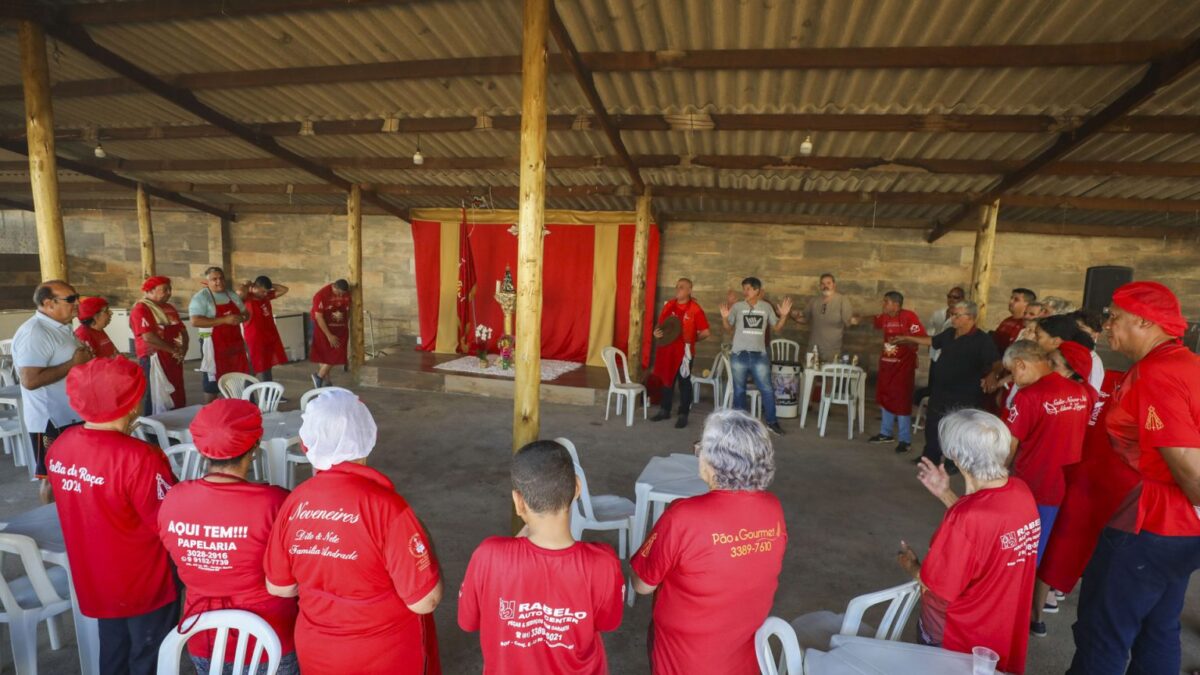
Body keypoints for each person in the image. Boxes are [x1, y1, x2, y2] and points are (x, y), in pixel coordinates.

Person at [1068, 281, 1200, 675]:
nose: (1106, 325)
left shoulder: (1157, 373)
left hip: (1152, 524)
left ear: (1145, 321)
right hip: (1180, 529)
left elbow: (1190, 469)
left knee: (1103, 632)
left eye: (1114, 316)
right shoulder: (1187, 363)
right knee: (1158, 627)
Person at [265, 390, 443, 674]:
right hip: (385, 653)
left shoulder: (294, 502)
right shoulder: (387, 508)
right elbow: (425, 601)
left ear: (306, 444)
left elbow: (280, 587)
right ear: (368, 438)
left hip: (317, 651)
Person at [50, 357, 179, 675]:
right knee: (149, 656)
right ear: (133, 402)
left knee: (113, 649)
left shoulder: (61, 446)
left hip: (95, 577)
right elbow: (168, 523)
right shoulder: (140, 458)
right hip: (144, 581)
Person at [632, 410, 787, 674]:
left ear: (713, 461)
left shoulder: (683, 516)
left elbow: (642, 585)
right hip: (746, 659)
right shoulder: (773, 509)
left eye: (701, 448)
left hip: (685, 661)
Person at [158, 399, 298, 675]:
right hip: (270, 639)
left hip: (202, 636)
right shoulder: (275, 503)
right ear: (254, 449)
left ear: (200, 448)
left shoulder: (173, 499)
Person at [458, 440, 624, 673]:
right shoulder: (603, 563)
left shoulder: (488, 556)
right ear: (577, 488)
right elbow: (608, 622)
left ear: (518, 502)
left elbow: (468, 622)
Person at [900, 409, 1040, 674]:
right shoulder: (1021, 492)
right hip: (1000, 631)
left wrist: (911, 565)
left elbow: (935, 586)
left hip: (959, 639)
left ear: (956, 456)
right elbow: (985, 534)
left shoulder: (967, 518)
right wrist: (945, 494)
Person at [1000, 340, 1090, 638]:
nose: (1012, 380)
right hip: (1066, 487)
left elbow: (1007, 448)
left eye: (1012, 373)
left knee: (1019, 559)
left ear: (1022, 364)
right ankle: (1034, 617)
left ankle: (1009, 621)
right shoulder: (1080, 392)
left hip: (1032, 489)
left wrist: (992, 483)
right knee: (1046, 556)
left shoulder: (1029, 397)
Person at [892, 301, 1000, 471]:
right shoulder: (950, 333)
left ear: (970, 318)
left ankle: (954, 462)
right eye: (952, 314)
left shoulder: (982, 339)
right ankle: (930, 457)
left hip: (964, 393)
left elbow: (996, 362)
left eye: (957, 315)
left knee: (957, 428)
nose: (952, 318)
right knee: (933, 424)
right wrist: (908, 338)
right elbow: (933, 341)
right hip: (941, 389)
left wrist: (992, 374)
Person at [12, 280, 90, 503]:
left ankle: (72, 518)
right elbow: (30, 380)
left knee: (75, 472)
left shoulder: (61, 327)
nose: (77, 304)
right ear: (48, 303)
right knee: (52, 476)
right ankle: (54, 523)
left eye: (77, 298)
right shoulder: (35, 333)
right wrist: (73, 364)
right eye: (70, 300)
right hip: (50, 420)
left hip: (72, 414)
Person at [719, 277, 793, 435]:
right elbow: (728, 328)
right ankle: (740, 425)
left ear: (757, 290)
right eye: (744, 288)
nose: (744, 292)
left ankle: (772, 423)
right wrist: (725, 317)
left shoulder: (766, 307)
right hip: (739, 354)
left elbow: (778, 328)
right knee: (739, 390)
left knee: (766, 389)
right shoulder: (738, 306)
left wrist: (784, 315)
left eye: (748, 289)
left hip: (759, 355)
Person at [867, 291, 927, 454]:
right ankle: (885, 433)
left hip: (903, 366)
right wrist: (857, 317)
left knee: (901, 400)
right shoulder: (885, 317)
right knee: (885, 396)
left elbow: (922, 336)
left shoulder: (909, 316)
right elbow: (874, 320)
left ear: (896, 304)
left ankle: (904, 440)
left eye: (886, 302)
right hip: (887, 364)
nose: (883, 304)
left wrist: (904, 339)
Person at [650, 278, 711, 429]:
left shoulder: (695, 309)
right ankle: (665, 410)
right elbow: (660, 327)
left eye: (682, 287)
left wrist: (691, 341)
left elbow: (706, 332)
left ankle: (683, 414)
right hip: (667, 350)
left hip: (684, 353)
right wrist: (656, 333)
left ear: (690, 290)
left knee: (684, 382)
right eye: (677, 287)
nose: (678, 289)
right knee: (666, 380)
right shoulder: (669, 305)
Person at [189, 266, 250, 403]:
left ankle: (240, 406)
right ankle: (211, 411)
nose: (219, 282)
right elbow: (195, 321)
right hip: (213, 344)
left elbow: (245, 312)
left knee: (239, 376)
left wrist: (242, 318)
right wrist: (224, 320)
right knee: (213, 381)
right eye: (214, 279)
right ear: (207, 282)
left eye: (221, 278)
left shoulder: (231, 294)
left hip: (234, 343)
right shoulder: (201, 298)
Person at [131, 276, 188, 413]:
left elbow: (182, 330)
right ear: (150, 291)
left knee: (175, 392)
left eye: (170, 289)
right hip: (153, 358)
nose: (169, 293)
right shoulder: (141, 309)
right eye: (165, 289)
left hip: (173, 357)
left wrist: (183, 349)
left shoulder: (169, 308)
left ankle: (174, 425)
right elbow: (148, 336)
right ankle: (154, 430)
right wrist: (173, 350)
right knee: (156, 395)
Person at [793, 273, 858, 360]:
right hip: (813, 349)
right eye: (823, 284)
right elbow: (804, 319)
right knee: (810, 373)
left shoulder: (842, 300)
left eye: (828, 283)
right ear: (820, 286)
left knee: (829, 373)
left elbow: (848, 322)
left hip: (832, 351)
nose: (825, 286)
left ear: (834, 285)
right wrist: (792, 315)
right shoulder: (814, 301)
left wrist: (855, 320)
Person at [239, 275, 290, 382]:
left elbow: (284, 289)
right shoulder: (247, 298)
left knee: (268, 364)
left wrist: (268, 287)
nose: (265, 294)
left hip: (269, 335)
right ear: (255, 287)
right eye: (263, 291)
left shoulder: (265, 296)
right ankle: (247, 395)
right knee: (254, 366)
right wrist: (247, 284)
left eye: (267, 291)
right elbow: (239, 292)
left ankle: (268, 393)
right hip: (255, 337)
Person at [1034, 314, 1103, 393]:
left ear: (1056, 341)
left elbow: (1091, 394)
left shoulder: (1090, 358)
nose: (1034, 339)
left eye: (1038, 336)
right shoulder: (1045, 355)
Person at [310, 279, 352, 388]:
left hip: (340, 328)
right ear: (334, 286)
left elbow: (348, 309)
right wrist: (329, 335)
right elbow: (319, 317)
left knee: (338, 352)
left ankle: (323, 379)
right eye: (338, 293)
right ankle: (320, 377)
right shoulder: (321, 295)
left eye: (343, 294)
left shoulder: (346, 294)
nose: (340, 296)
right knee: (326, 355)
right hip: (324, 328)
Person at [928, 286, 965, 365]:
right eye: (949, 296)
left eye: (955, 297)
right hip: (935, 356)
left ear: (962, 299)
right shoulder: (937, 314)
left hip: (952, 358)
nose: (951, 299)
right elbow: (931, 333)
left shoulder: (964, 317)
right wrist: (930, 350)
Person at [992, 288, 1036, 353]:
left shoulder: (1028, 325)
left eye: (1016, 300)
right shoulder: (1007, 320)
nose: (1010, 301)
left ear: (1027, 304)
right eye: (1011, 298)